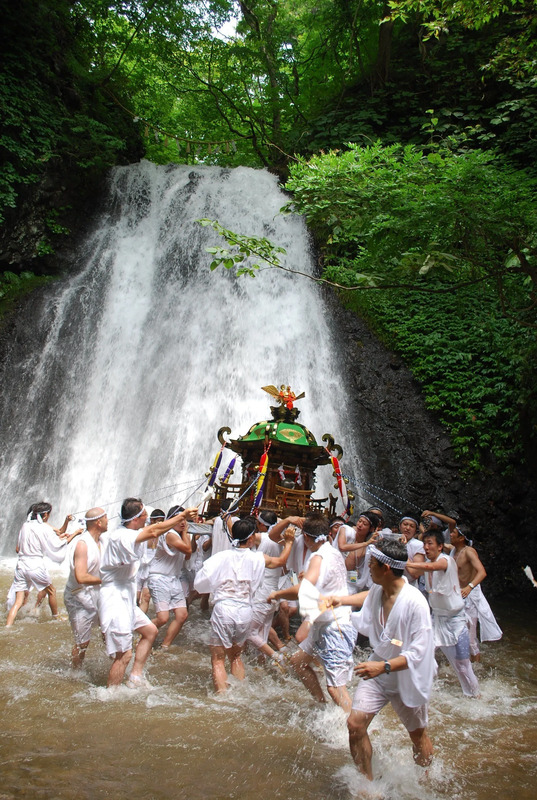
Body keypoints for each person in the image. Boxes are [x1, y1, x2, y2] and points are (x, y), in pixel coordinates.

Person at [333, 538, 435, 781]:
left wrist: (384, 666)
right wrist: (340, 601)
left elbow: (420, 652)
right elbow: (367, 596)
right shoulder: (380, 589)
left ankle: (427, 781)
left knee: (417, 735)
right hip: (378, 670)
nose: (368, 567)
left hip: (406, 675)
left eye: (372, 564)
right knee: (355, 725)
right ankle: (367, 785)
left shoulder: (415, 602)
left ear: (386, 568)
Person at [98, 498, 196, 688]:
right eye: (145, 515)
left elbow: (154, 532)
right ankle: (110, 695)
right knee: (124, 654)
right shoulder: (122, 536)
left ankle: (135, 677)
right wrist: (182, 516)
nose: (148, 519)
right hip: (114, 598)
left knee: (150, 631)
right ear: (137, 518)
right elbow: (153, 531)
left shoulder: (131, 533)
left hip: (124, 594)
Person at [193, 516, 295, 693]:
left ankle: (222, 697)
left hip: (224, 609)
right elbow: (280, 561)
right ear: (250, 538)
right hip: (245, 610)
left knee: (218, 659)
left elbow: (200, 583)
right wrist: (288, 543)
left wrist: (215, 587)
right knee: (236, 656)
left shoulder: (221, 557)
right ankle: (239, 694)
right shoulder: (258, 558)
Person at [268, 514, 357, 713]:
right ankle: (321, 705)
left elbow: (304, 588)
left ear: (306, 538)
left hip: (335, 626)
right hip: (322, 621)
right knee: (297, 663)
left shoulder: (318, 557)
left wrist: (277, 593)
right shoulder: (332, 551)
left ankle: (355, 725)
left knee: (335, 688)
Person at [408, 529, 480, 697]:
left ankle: (475, 696)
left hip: (456, 621)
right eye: (424, 544)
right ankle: (422, 692)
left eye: (430, 544)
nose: (426, 547)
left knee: (462, 665)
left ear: (440, 546)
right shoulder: (428, 563)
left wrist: (407, 563)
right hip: (436, 619)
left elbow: (430, 566)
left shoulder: (445, 560)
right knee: (422, 654)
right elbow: (421, 569)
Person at [6, 502, 81, 627]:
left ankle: (8, 626)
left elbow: (18, 548)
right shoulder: (44, 527)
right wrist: (76, 533)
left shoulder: (25, 525)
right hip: (35, 564)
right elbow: (59, 544)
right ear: (45, 515)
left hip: (21, 565)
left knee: (18, 601)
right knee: (51, 590)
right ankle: (55, 617)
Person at [449, 524, 502, 661]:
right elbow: (434, 544)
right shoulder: (453, 550)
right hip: (457, 597)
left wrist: (469, 587)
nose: (450, 534)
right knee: (455, 633)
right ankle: (461, 664)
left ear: (461, 538)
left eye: (453, 532)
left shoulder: (469, 551)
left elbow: (482, 572)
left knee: (470, 638)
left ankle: (477, 669)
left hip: (469, 598)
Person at [64, 507, 108, 668]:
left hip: (97, 593)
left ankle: (114, 663)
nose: (108, 521)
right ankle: (75, 673)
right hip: (78, 596)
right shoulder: (82, 544)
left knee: (109, 631)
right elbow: (81, 576)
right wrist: (108, 580)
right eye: (106, 518)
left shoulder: (102, 541)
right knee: (83, 642)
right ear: (99, 522)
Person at [149, 505, 192, 650]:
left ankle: (164, 646)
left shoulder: (180, 535)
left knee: (182, 615)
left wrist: (186, 535)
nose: (182, 522)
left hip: (174, 578)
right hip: (159, 578)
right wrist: (186, 533)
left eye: (184, 519)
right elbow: (187, 549)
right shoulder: (170, 534)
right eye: (179, 519)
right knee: (163, 618)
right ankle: (141, 633)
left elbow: (188, 555)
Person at [137, 508, 164, 614]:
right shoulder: (143, 532)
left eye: (163, 520)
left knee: (146, 597)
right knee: (135, 598)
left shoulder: (163, 534)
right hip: (139, 568)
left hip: (152, 569)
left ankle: (139, 625)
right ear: (152, 520)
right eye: (158, 520)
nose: (161, 523)